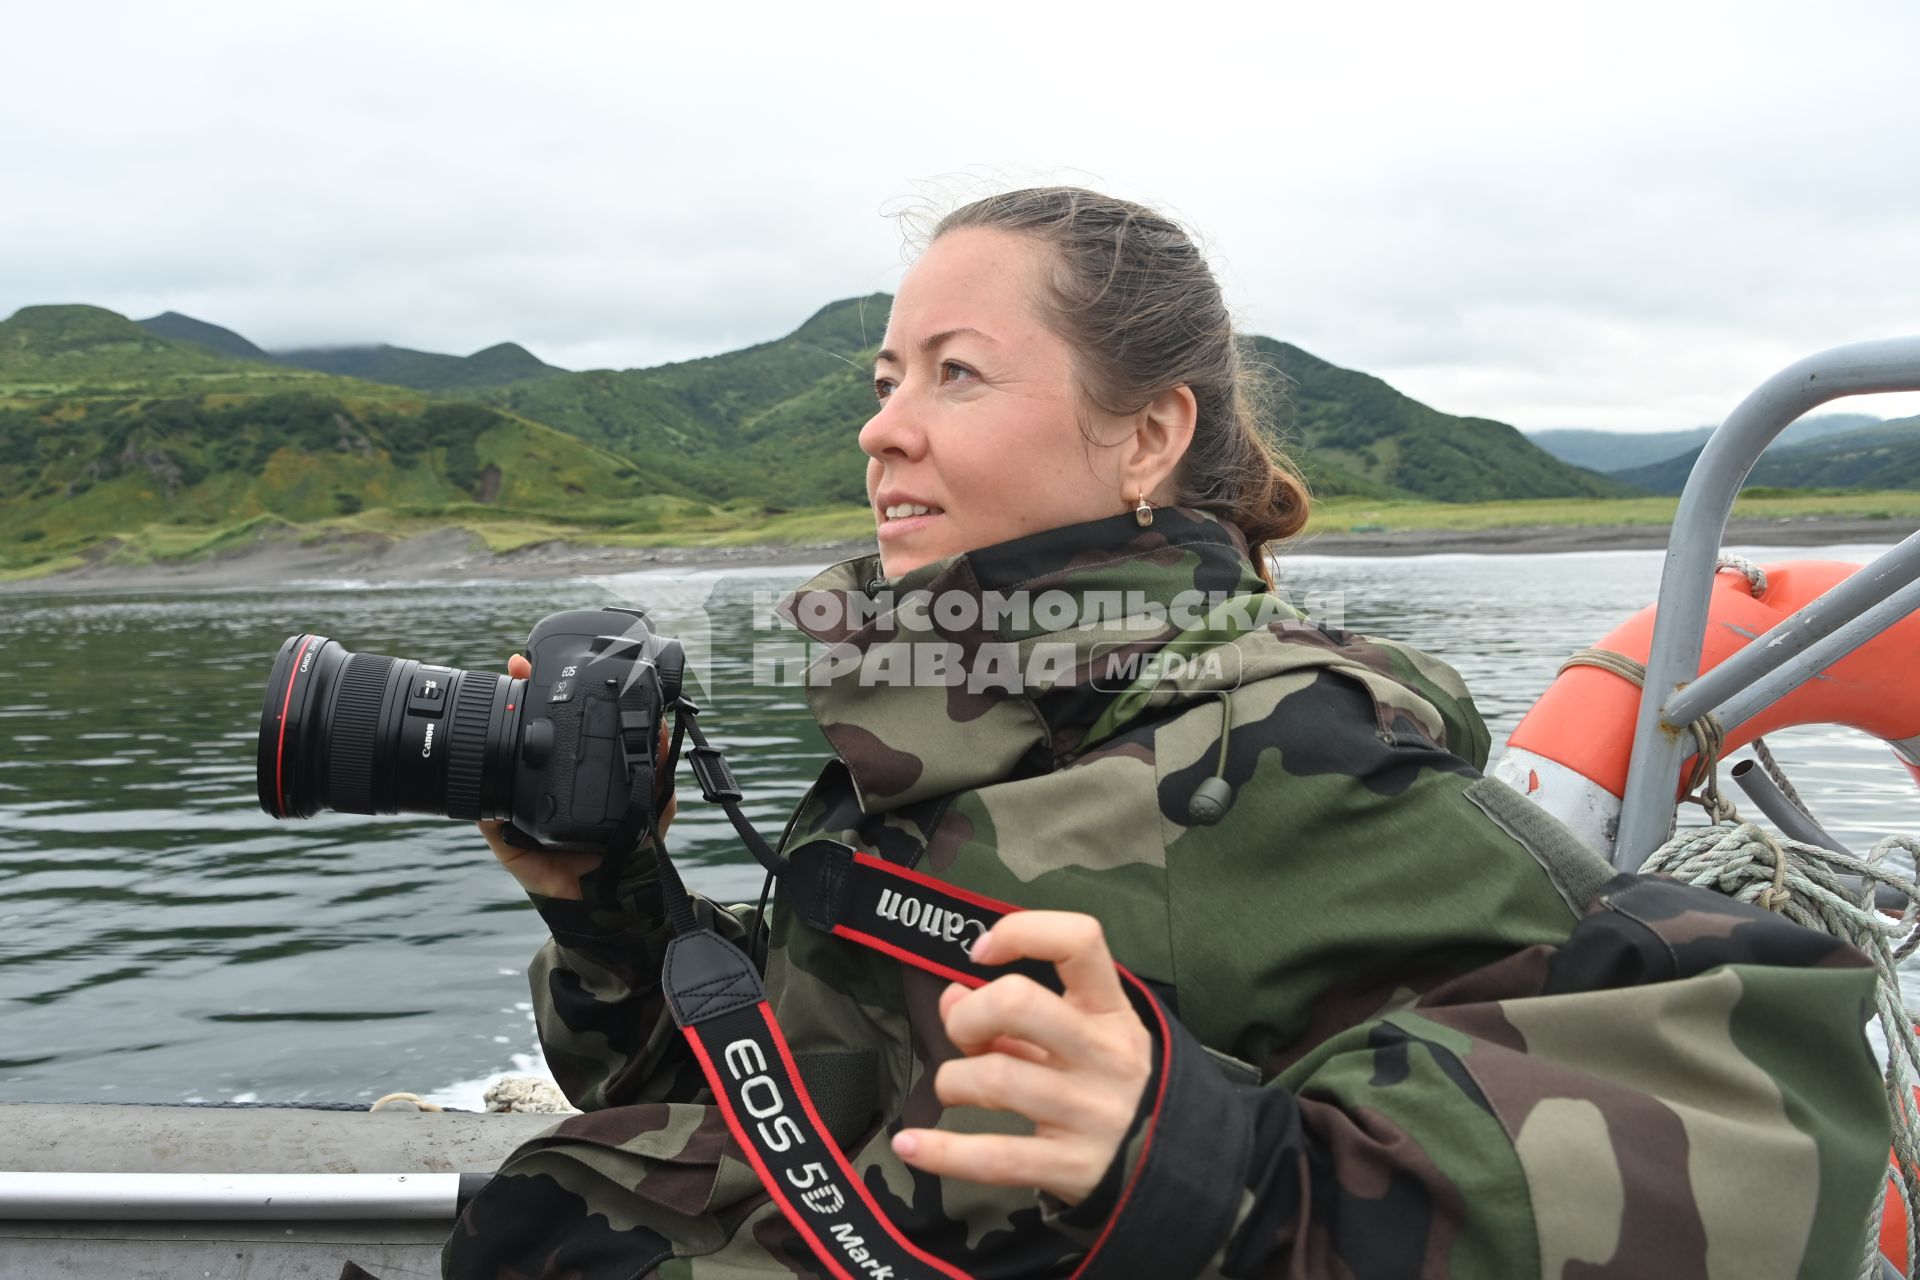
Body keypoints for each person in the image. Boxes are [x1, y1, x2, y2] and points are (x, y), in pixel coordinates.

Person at [434, 188, 1889, 1278]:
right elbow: (799, 1134)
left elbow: (1778, 1116)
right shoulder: (950, 736)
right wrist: (612, 918)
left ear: (1146, 438)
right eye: (885, 381)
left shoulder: (1281, 754)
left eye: (956, 372)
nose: (882, 427)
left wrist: (1208, 1163)